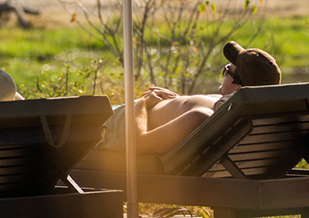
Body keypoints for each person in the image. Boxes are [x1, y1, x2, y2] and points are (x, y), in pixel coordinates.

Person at [103, 41, 281, 155]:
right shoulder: (230, 110)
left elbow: (138, 143)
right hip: (122, 117)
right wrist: (177, 103)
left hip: (112, 126)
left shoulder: (203, 117)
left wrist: (143, 103)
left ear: (238, 88)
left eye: (227, 70)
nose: (223, 73)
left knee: (78, 111)